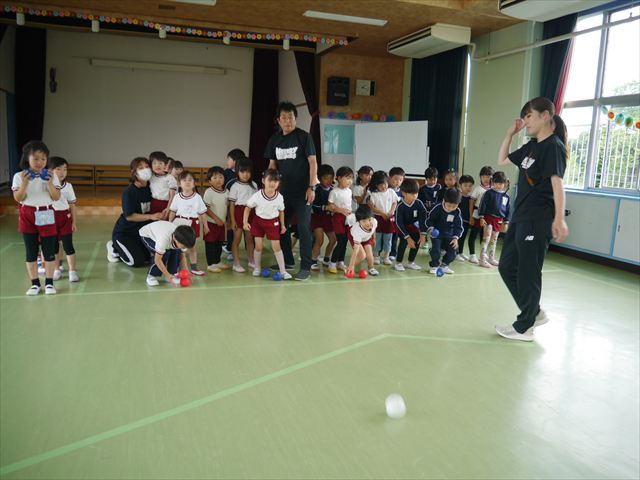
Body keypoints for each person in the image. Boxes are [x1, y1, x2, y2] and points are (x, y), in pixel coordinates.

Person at [495, 97, 569, 342]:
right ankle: (533, 313)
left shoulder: (553, 146)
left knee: (528, 271)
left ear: (545, 115)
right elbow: (502, 160)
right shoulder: (531, 147)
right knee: (506, 266)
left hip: (538, 218)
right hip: (521, 216)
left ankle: (524, 327)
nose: (525, 121)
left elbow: (557, 183)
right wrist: (510, 134)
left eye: (529, 116)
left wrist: (559, 218)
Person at [264, 101, 318, 281]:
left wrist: (311, 187)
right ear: (278, 120)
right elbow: (272, 165)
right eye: (284, 118)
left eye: (291, 117)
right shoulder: (274, 140)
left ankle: (306, 267)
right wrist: (269, 187)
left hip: (303, 191)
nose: (287, 121)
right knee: (281, 226)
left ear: (296, 119)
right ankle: (287, 261)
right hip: (282, 192)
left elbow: (313, 163)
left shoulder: (304, 137)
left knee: (303, 227)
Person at [12, 140, 61, 295]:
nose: (40, 162)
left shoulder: (51, 175)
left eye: (43, 159)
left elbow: (56, 197)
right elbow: (18, 198)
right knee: (31, 251)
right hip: (27, 213)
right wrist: (25, 183)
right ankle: (35, 284)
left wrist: (50, 183)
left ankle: (49, 283)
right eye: (36, 158)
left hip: (46, 212)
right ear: (27, 158)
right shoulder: (19, 176)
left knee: (49, 250)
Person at [107, 157, 164, 266]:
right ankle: (114, 248)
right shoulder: (129, 192)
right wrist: (151, 216)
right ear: (134, 172)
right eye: (141, 168)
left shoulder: (153, 189)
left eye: (147, 167)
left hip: (142, 233)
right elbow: (129, 216)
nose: (145, 170)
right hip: (126, 233)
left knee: (148, 259)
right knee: (136, 262)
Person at [243, 169, 291, 280]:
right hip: (258, 222)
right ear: (263, 181)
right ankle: (257, 268)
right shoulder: (257, 195)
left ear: (279, 183)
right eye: (270, 180)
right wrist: (245, 222)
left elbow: (281, 211)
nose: (273, 183)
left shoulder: (279, 197)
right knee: (258, 246)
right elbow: (247, 208)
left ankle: (283, 271)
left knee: (276, 247)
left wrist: (283, 225)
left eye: (276, 181)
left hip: (273, 222)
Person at [168, 171, 209, 276]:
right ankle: (177, 268)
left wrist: (205, 226)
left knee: (192, 247)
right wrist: (169, 223)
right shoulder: (177, 197)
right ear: (179, 184)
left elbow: (203, 213)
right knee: (177, 247)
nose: (187, 182)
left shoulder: (197, 197)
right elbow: (172, 211)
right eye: (184, 180)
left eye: (190, 180)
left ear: (194, 184)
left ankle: (194, 268)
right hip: (179, 223)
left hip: (193, 223)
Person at [49, 156, 79, 282]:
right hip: (51, 218)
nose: (62, 172)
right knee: (54, 246)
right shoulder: (47, 185)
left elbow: (72, 205)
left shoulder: (68, 186)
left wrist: (74, 222)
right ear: (50, 170)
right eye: (58, 169)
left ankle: (72, 271)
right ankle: (56, 269)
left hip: (65, 218)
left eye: (65, 169)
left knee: (68, 245)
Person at [139, 222, 196, 287]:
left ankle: (172, 273)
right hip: (148, 235)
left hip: (161, 232)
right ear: (175, 239)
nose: (184, 248)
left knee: (177, 251)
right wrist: (167, 275)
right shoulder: (163, 239)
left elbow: (182, 256)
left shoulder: (182, 239)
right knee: (164, 254)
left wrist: (187, 272)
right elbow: (158, 259)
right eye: (183, 246)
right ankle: (151, 276)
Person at [228, 157, 257, 273]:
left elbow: (256, 202)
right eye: (242, 171)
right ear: (237, 172)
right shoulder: (235, 186)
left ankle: (251, 260)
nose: (245, 174)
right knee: (237, 239)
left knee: (250, 239)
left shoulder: (254, 185)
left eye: (248, 171)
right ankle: (236, 263)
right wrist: (232, 221)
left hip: (251, 213)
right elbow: (231, 205)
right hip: (238, 213)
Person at [426, 188, 464, 275]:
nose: (451, 208)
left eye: (454, 206)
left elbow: (459, 227)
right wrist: (431, 229)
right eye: (449, 205)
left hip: (449, 234)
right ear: (444, 200)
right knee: (436, 250)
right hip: (436, 234)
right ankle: (434, 265)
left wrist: (455, 238)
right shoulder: (437, 207)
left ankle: (444, 265)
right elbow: (429, 220)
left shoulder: (457, 212)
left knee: (453, 250)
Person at [394, 179, 429, 271]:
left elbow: (423, 219)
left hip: (414, 227)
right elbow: (398, 223)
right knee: (403, 243)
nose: (415, 196)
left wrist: (423, 234)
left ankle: (411, 262)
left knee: (417, 242)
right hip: (402, 228)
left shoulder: (419, 203)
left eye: (416, 193)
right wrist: (407, 237)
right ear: (404, 193)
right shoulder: (400, 206)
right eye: (412, 194)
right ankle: (398, 263)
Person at [478, 171, 510, 268]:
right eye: (496, 183)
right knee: (486, 238)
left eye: (501, 183)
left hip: (499, 221)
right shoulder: (488, 193)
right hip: (488, 218)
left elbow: (508, 210)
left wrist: (506, 222)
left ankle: (491, 258)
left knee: (494, 240)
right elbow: (482, 205)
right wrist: (481, 217)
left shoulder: (506, 196)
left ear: (505, 183)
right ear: (493, 182)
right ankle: (482, 259)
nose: (498, 185)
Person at [326, 166, 354, 274]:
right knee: (341, 241)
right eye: (347, 178)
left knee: (345, 241)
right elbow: (330, 206)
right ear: (339, 178)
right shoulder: (334, 192)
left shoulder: (349, 191)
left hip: (348, 218)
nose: (350, 181)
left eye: (351, 178)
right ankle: (332, 263)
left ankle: (340, 262)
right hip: (338, 218)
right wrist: (340, 210)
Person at [202, 166, 230, 273]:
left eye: (220, 177)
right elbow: (206, 208)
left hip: (221, 223)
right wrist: (216, 219)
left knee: (219, 243)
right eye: (215, 178)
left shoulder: (226, 191)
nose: (218, 180)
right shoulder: (209, 192)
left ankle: (217, 261)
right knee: (210, 244)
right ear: (210, 181)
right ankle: (211, 264)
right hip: (211, 223)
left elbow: (228, 207)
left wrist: (228, 220)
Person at [367, 170, 397, 266]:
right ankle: (376, 256)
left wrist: (391, 211)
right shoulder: (373, 195)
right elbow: (373, 208)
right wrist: (382, 213)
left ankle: (386, 256)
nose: (383, 186)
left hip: (389, 218)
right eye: (380, 185)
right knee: (378, 237)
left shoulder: (391, 191)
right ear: (376, 185)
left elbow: (394, 202)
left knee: (388, 239)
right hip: (378, 218)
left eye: (385, 183)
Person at [310, 164, 337, 271]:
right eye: (326, 178)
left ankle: (326, 259)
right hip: (317, 218)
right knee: (319, 240)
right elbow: (312, 206)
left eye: (331, 178)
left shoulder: (333, 190)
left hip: (328, 219)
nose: (329, 181)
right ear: (319, 178)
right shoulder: (316, 189)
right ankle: (313, 261)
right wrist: (325, 207)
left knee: (333, 240)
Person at [467, 166, 494, 264]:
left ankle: (483, 253)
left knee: (485, 236)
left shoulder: (493, 189)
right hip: (477, 214)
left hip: (488, 216)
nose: (486, 179)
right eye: (484, 176)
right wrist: (471, 216)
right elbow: (471, 202)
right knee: (473, 234)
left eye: (489, 177)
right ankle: (472, 254)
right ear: (480, 177)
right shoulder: (478, 189)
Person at [223, 148, 246, 255]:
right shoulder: (225, 173)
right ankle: (229, 246)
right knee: (230, 225)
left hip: (241, 206)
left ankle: (249, 248)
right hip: (229, 205)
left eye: (229, 159)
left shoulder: (243, 173)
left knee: (242, 227)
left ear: (235, 161)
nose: (227, 161)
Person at [345, 205, 379, 278]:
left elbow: (373, 230)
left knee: (369, 253)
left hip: (366, 237)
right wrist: (351, 266)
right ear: (359, 222)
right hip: (354, 237)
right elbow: (355, 251)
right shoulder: (357, 231)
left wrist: (374, 238)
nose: (368, 223)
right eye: (364, 221)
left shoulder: (374, 222)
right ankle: (349, 268)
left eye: (369, 220)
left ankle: (371, 268)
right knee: (362, 255)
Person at [148, 151, 177, 219]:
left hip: (166, 204)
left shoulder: (170, 178)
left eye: (160, 163)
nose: (157, 165)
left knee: (164, 222)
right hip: (153, 203)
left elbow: (172, 196)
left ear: (165, 165)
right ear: (151, 165)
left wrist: (168, 209)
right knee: (153, 222)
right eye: (154, 163)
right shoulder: (151, 177)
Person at [387, 166, 405, 260]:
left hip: (397, 218)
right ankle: (381, 252)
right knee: (385, 236)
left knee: (395, 236)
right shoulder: (386, 191)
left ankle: (393, 253)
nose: (398, 182)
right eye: (395, 179)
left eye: (400, 180)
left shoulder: (403, 192)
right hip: (387, 216)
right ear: (389, 178)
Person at [456, 174, 475, 261]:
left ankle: (460, 252)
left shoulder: (471, 198)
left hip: (466, 220)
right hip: (458, 220)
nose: (468, 188)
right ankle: (455, 253)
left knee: (463, 237)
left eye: (470, 186)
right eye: (465, 185)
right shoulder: (458, 196)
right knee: (458, 237)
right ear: (460, 185)